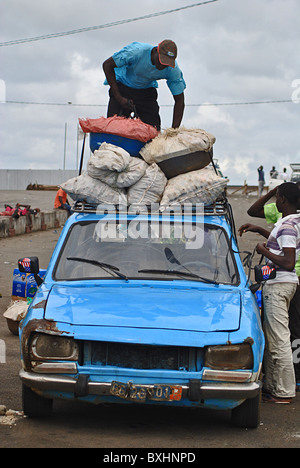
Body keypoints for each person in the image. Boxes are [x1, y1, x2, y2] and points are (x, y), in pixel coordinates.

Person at [238, 182, 300, 403]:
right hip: (283, 285)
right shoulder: (290, 223)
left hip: (280, 284)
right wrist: (263, 234)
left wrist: (262, 249)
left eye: (277, 197)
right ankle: (273, 388)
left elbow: (288, 261)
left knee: (280, 340)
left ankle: (284, 392)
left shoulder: (288, 226)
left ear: (282, 200)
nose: (275, 201)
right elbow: (283, 246)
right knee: (274, 338)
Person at [102, 40, 186, 131]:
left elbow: (179, 100)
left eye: (166, 64)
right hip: (122, 87)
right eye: (161, 61)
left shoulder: (172, 70)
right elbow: (107, 65)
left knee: (153, 132)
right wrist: (119, 97)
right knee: (113, 128)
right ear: (155, 51)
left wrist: (173, 131)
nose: (162, 66)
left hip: (146, 93)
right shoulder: (136, 52)